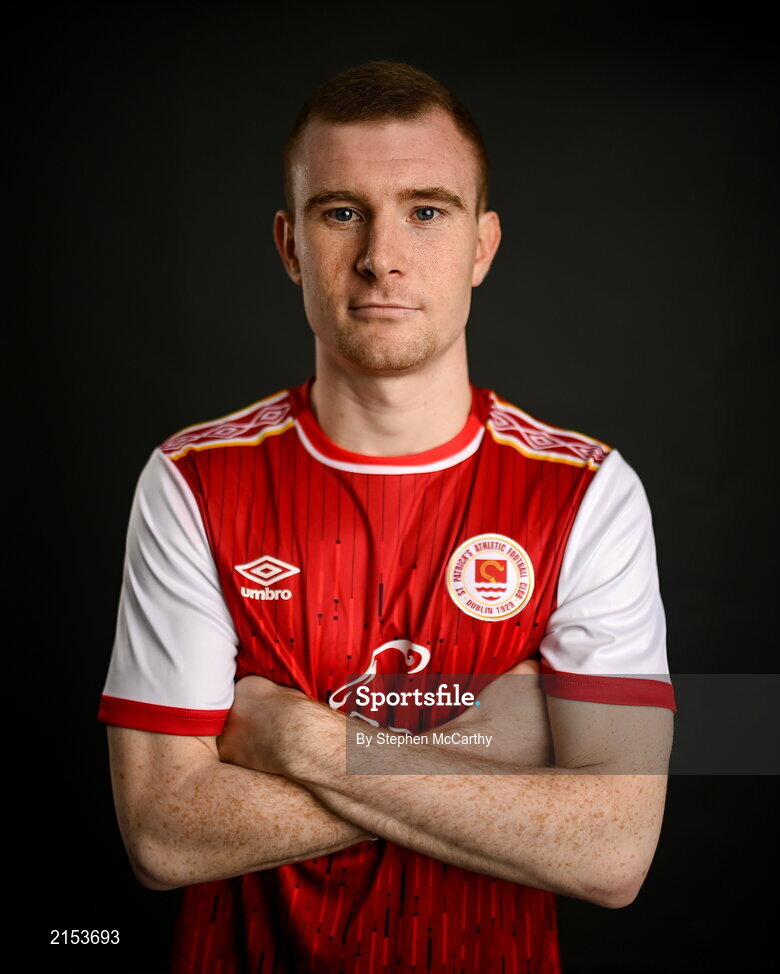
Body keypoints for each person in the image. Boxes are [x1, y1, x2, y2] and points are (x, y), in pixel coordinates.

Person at [98, 60, 676, 974]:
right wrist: (489, 741)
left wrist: (305, 743)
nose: (381, 256)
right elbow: (164, 834)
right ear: (290, 245)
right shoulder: (193, 481)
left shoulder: (586, 493)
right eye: (341, 212)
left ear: (483, 245)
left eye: (427, 211)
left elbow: (613, 850)